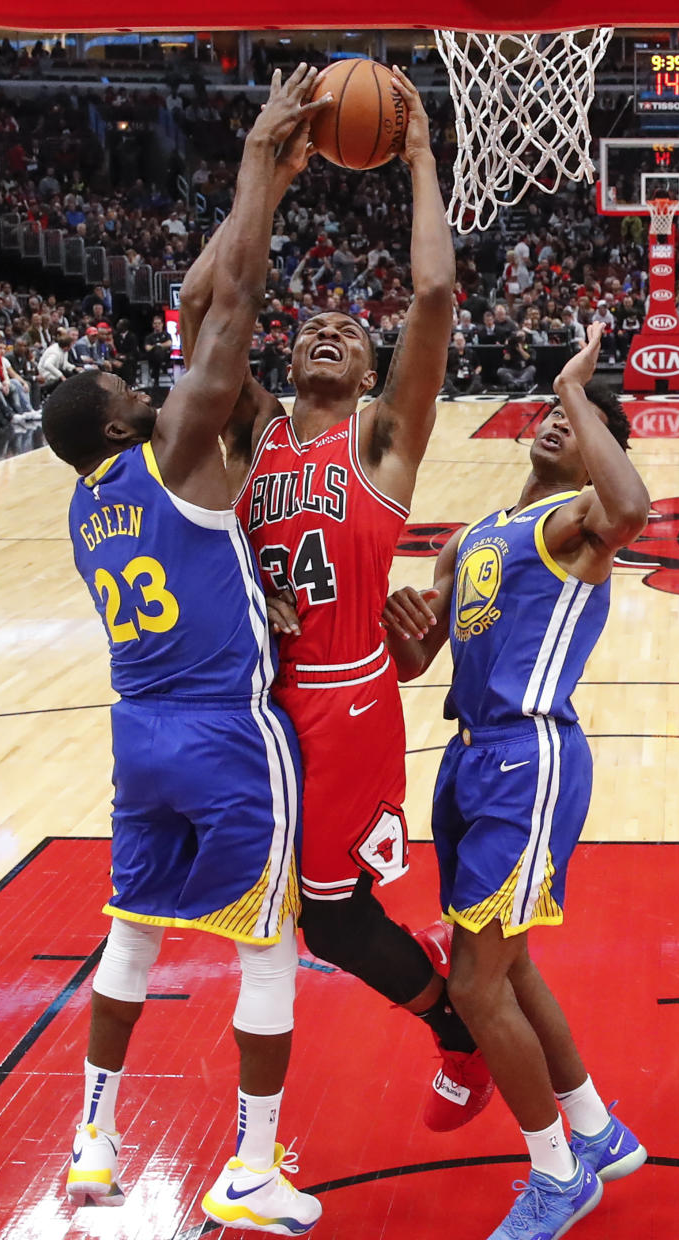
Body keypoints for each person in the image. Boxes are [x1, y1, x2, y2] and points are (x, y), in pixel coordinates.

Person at [42, 65, 331, 1234]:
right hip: (223, 730)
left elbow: (198, 295)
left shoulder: (84, 498)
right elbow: (234, 303)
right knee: (268, 941)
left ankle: (93, 1139)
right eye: (130, 385)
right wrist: (260, 160)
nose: (148, 383)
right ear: (123, 420)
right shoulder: (177, 451)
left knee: (131, 932)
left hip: (137, 741)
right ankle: (252, 1168)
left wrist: (262, 179)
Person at [177, 66, 494, 1132]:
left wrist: (415, 156)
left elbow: (435, 298)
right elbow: (206, 305)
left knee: (329, 917)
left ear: (370, 374)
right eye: (311, 322)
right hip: (255, 702)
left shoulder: (381, 440)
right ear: (286, 356)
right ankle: (436, 1006)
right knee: (281, 911)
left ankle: (458, 1027)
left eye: (352, 333)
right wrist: (260, 171)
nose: (328, 329)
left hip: (346, 696)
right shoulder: (250, 425)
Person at [381, 322, 649, 1240]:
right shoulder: (471, 537)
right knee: (512, 964)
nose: (552, 424)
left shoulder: (579, 524)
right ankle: (595, 1128)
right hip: (468, 757)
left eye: (571, 423)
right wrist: (399, 623)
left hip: (529, 759)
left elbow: (631, 507)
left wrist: (580, 386)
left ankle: (556, 1173)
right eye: (548, 414)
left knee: (474, 982)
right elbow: (419, 660)